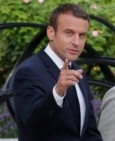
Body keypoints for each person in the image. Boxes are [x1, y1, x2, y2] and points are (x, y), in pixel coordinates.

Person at [13, 3, 102, 141]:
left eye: (82, 35)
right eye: (69, 33)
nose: (76, 42)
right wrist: (58, 92)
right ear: (51, 33)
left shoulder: (78, 72)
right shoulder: (28, 71)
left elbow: (89, 133)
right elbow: (30, 125)